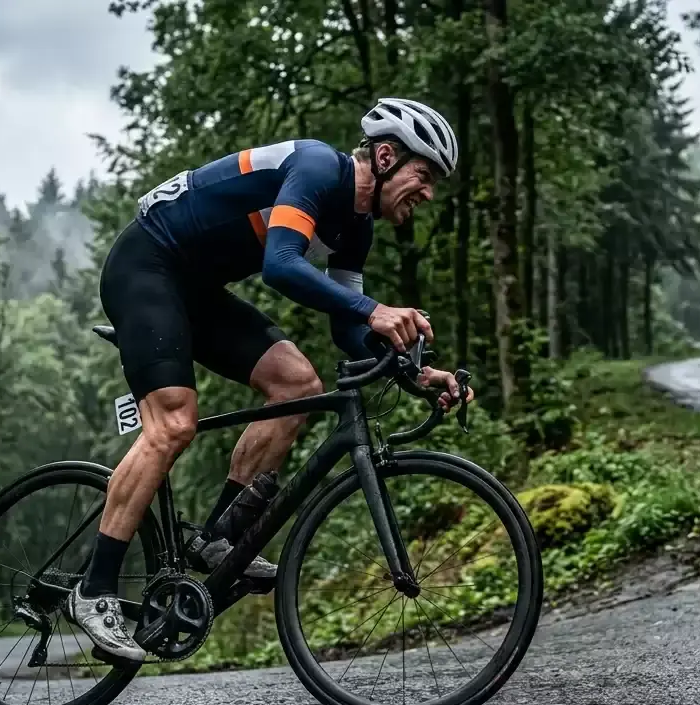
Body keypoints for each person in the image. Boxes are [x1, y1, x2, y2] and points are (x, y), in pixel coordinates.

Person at [74, 97, 475, 661]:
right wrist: (375, 311)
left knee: (298, 385)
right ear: (385, 156)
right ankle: (94, 591)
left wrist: (417, 373)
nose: (428, 192)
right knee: (173, 425)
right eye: (423, 175)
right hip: (147, 265)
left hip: (196, 291)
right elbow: (282, 263)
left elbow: (348, 330)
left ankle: (216, 536)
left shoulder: (356, 229)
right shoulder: (315, 168)